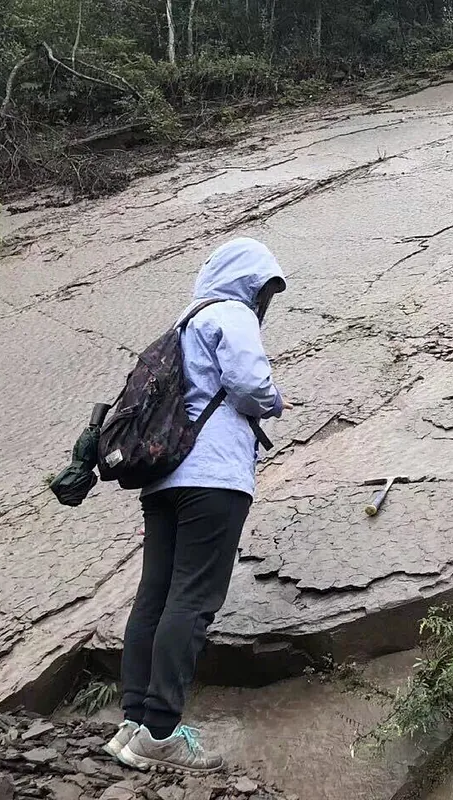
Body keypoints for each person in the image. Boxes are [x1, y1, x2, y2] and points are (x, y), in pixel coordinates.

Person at [104, 237, 288, 773]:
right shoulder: (231, 313)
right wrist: (274, 402)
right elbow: (251, 384)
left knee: (155, 597)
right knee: (193, 600)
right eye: (266, 288)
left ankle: (134, 723)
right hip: (214, 479)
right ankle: (162, 733)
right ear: (249, 282)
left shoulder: (184, 322)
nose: (265, 300)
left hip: (163, 478)